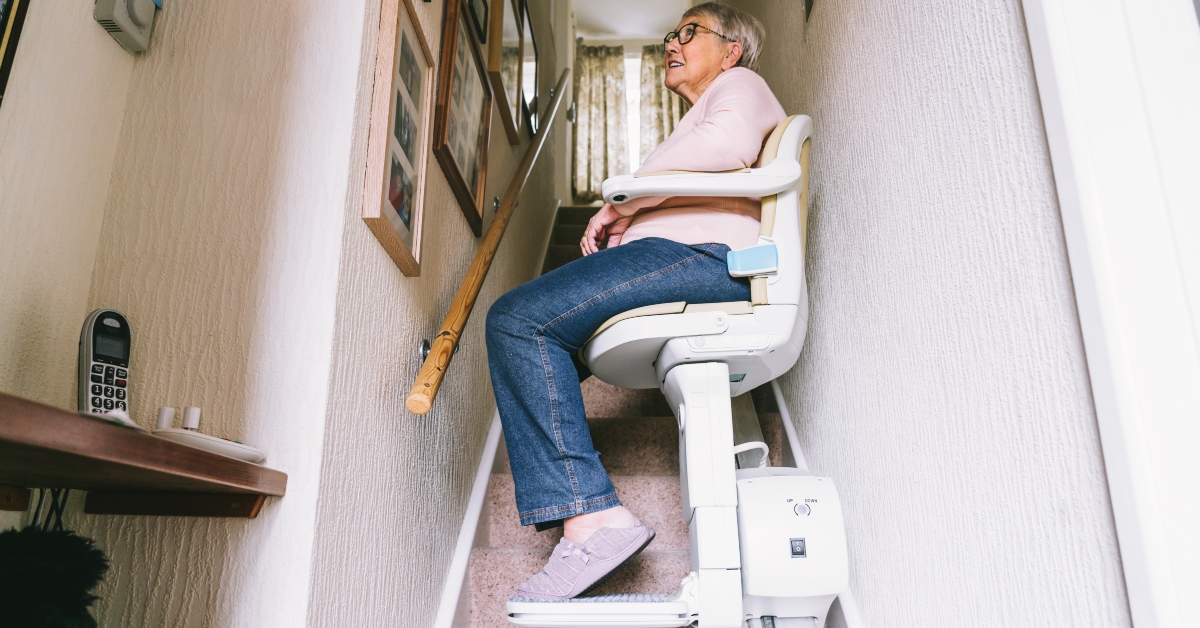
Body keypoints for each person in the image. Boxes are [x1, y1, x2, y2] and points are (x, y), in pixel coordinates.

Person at [485, 3, 786, 600]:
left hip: (705, 258)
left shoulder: (740, 85)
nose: (672, 42)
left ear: (731, 50)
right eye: (671, 33)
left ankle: (592, 518)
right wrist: (629, 219)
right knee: (539, 343)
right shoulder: (705, 108)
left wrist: (625, 202)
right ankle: (582, 512)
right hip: (693, 255)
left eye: (689, 32)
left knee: (518, 320)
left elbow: (726, 144)